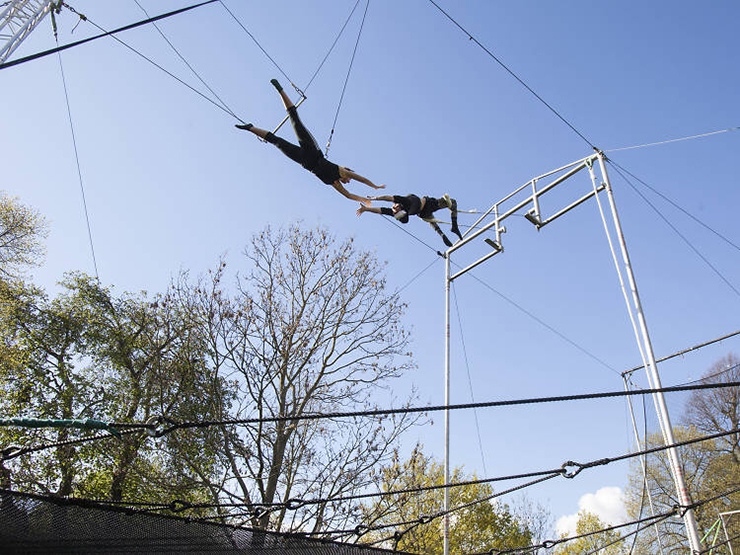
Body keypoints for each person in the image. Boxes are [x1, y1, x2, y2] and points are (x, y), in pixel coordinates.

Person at [235, 79, 384, 205]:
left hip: (304, 162)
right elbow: (362, 179)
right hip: (312, 151)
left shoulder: (335, 183)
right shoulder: (341, 171)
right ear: (348, 172)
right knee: (295, 121)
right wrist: (375, 186)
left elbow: (348, 196)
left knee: (277, 142)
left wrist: (364, 200)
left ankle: (250, 128)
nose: (349, 181)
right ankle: (280, 89)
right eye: (349, 179)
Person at [357, 193, 464, 247]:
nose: (393, 206)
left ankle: (441, 234)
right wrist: (371, 204)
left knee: (430, 220)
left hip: (423, 214)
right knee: (452, 202)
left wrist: (370, 205)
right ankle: (454, 226)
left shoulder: (400, 207)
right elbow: (386, 203)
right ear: (400, 209)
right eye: (395, 208)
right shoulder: (405, 203)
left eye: (393, 207)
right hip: (429, 204)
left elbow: (382, 207)